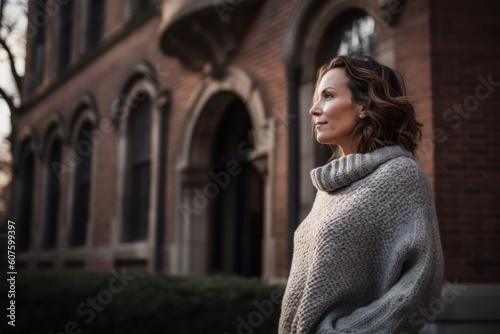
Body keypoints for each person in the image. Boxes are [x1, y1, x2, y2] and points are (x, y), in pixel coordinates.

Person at [278, 54, 444, 334]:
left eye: (328, 96)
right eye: (316, 98)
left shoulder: (399, 176)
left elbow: (421, 283)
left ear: (364, 106)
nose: (313, 110)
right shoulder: (329, 188)